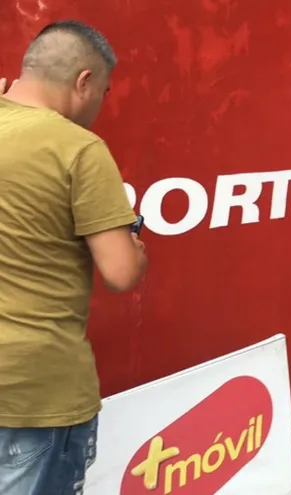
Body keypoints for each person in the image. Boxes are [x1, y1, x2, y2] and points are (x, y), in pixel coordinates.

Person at [0, 20, 147, 495]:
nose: (100, 105)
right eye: (102, 91)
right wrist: (136, 247)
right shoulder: (77, 148)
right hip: (38, 389)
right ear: (84, 81)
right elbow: (121, 273)